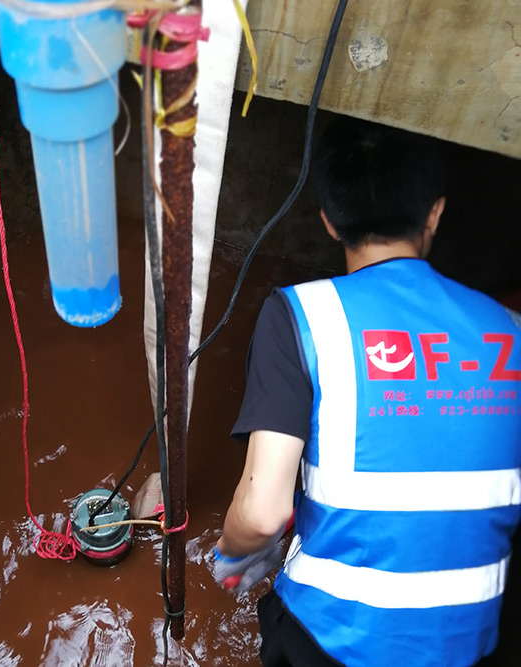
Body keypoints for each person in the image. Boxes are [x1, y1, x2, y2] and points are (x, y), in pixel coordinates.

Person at [211, 117, 521, 666]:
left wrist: (232, 559)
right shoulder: (511, 332)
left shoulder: (301, 316)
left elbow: (262, 514)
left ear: (329, 221)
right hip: (476, 644)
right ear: (435, 213)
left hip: (331, 643)